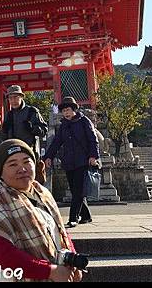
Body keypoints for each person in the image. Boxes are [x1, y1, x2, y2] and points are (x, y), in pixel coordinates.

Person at [0, 139, 83, 282]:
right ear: (1, 173)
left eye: (26, 162)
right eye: (13, 164)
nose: (22, 169)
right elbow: (4, 257)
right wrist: (50, 271)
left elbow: (62, 233)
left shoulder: (43, 193)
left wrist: (73, 263)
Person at [44, 97, 99, 228]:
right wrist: (48, 157)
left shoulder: (84, 121)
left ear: (74, 110)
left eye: (68, 110)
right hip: (69, 162)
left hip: (83, 161)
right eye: (63, 111)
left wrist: (93, 155)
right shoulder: (63, 126)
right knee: (76, 191)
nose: (66, 113)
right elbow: (56, 143)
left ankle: (73, 218)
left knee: (78, 190)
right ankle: (86, 216)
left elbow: (93, 139)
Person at [2, 85, 49, 183]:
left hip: (30, 153)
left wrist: (33, 128)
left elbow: (44, 130)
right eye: (10, 98)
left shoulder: (32, 111)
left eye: (15, 97)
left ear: (21, 97)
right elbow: (5, 136)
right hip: (14, 153)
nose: (13, 100)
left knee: (31, 183)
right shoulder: (9, 115)